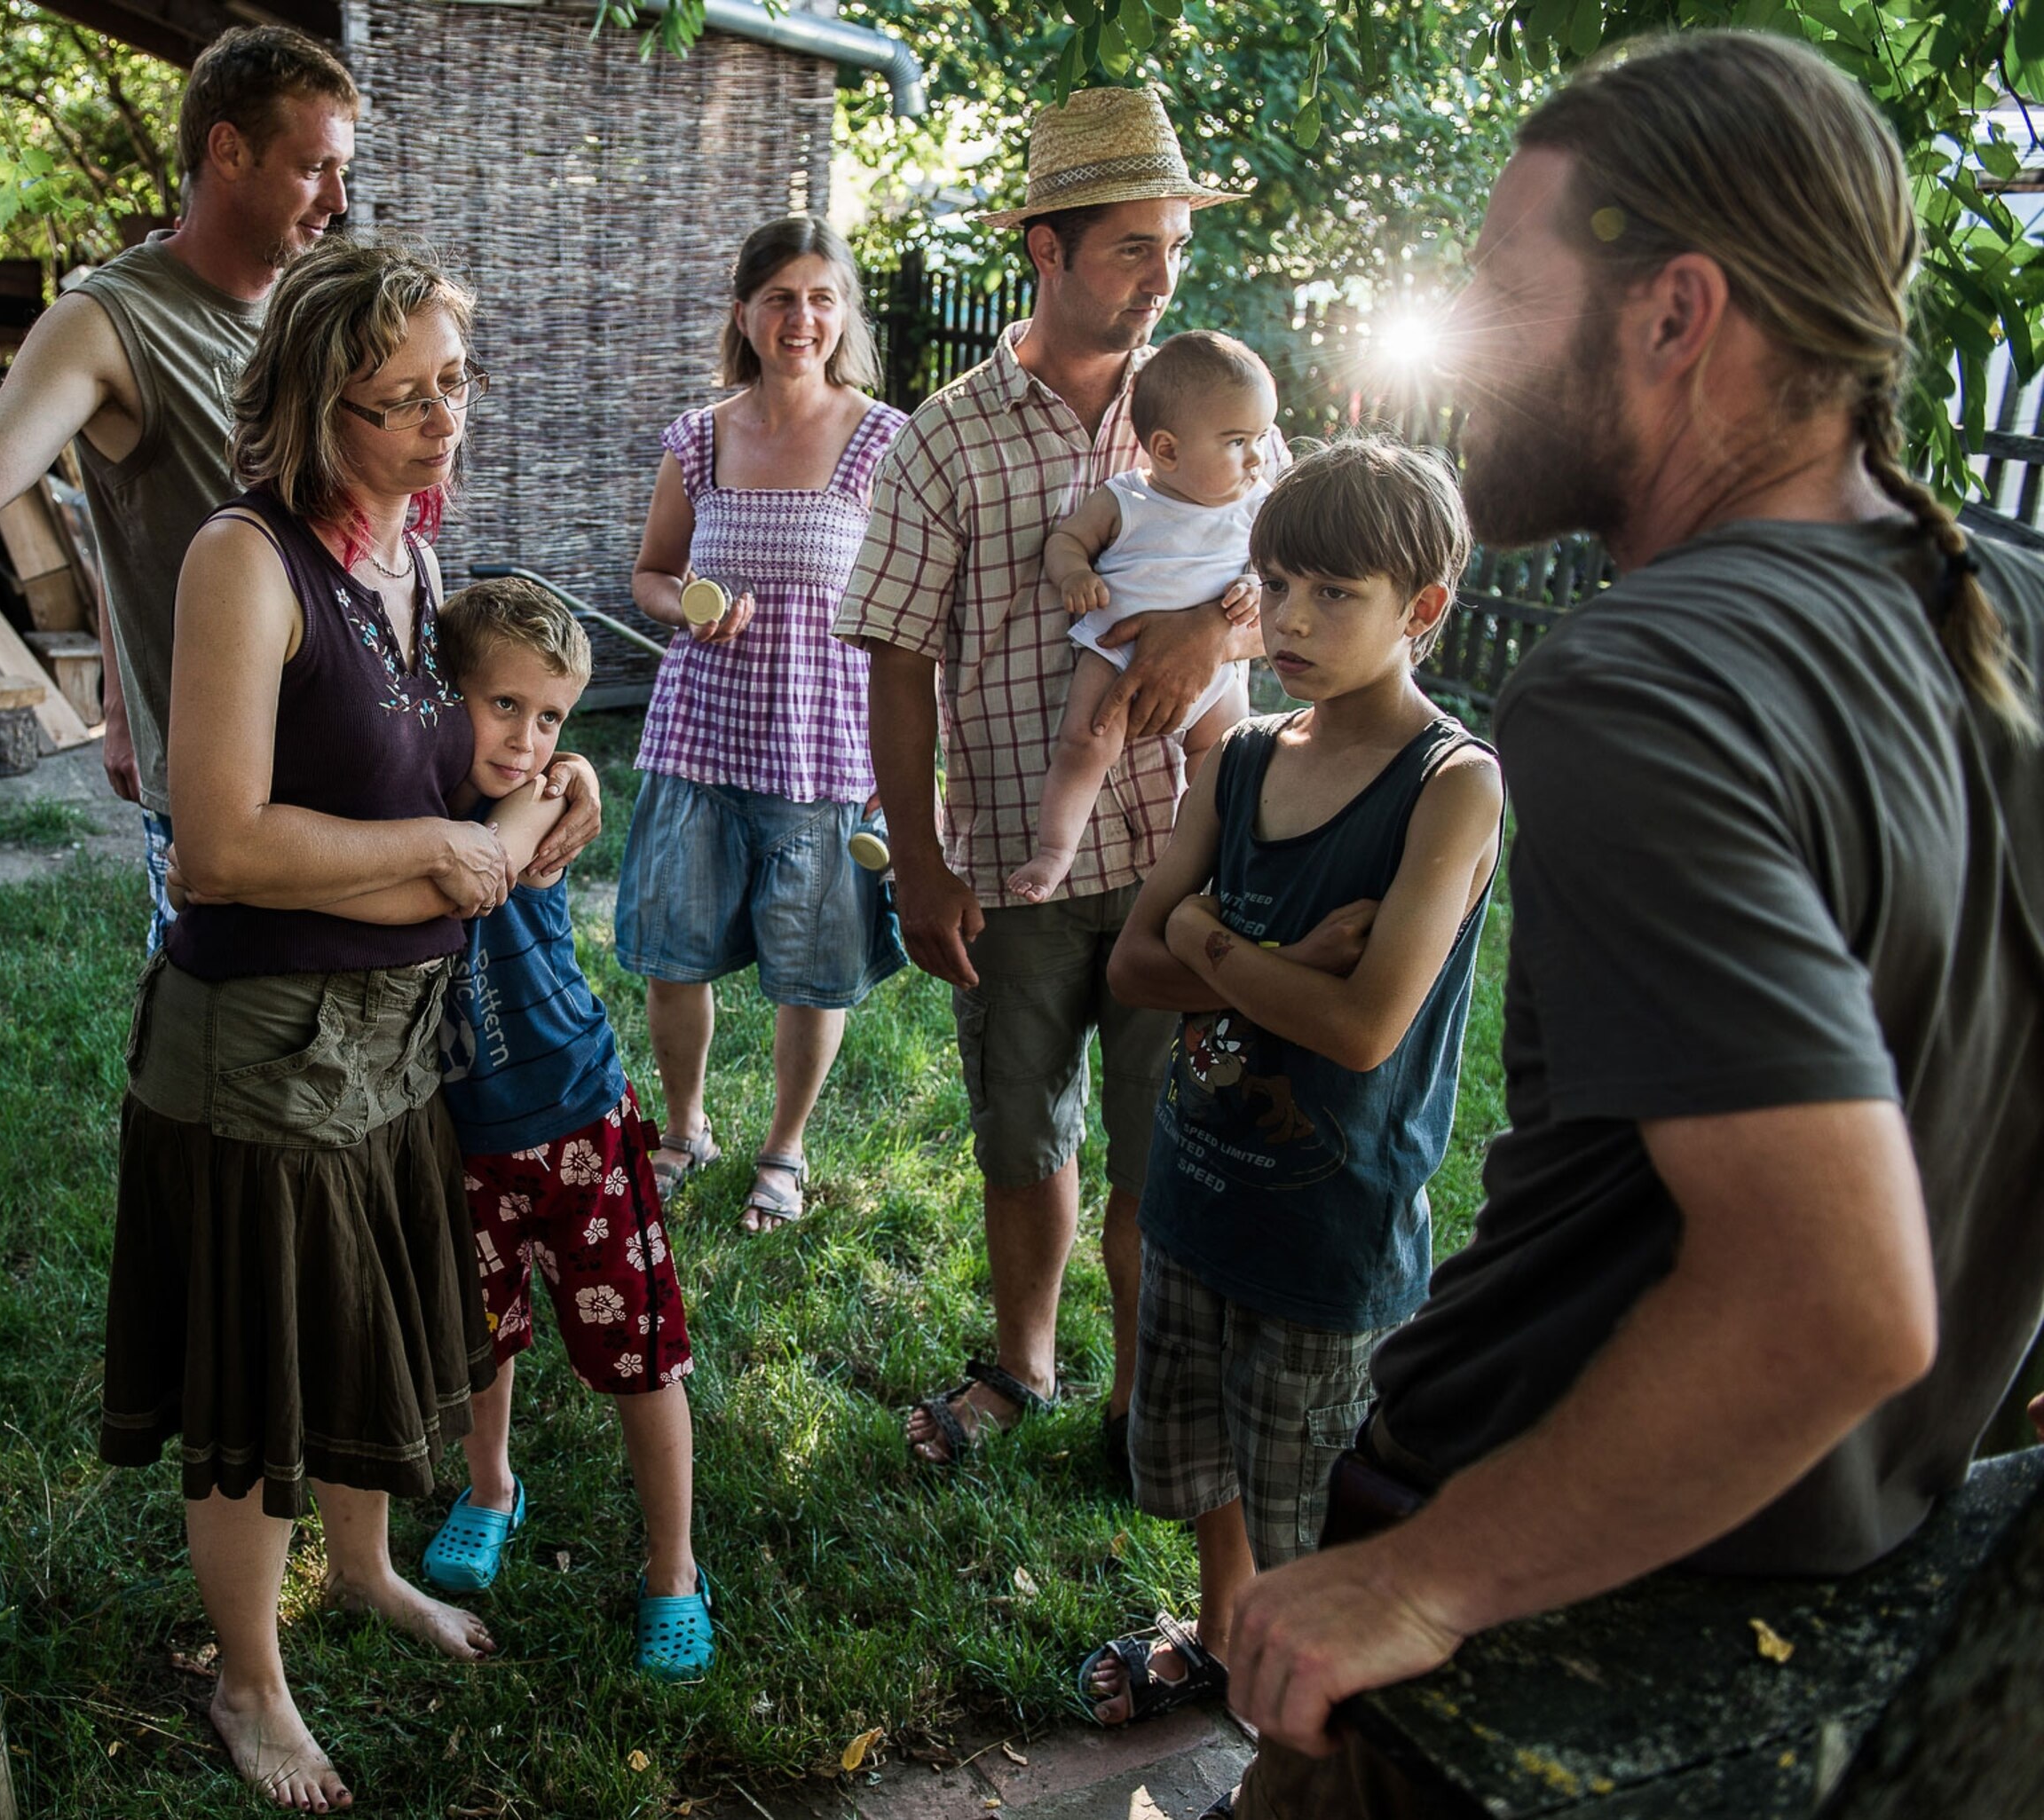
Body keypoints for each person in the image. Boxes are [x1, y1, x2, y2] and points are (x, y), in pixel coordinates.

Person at [1217, 34, 2044, 1819]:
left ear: (1677, 314)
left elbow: (1833, 1295)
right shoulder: (2016, 611)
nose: (1463, 344)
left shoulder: (1648, 677)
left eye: (1502, 289)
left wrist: (1423, 1574)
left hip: (1520, 1644)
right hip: (1835, 1631)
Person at [97, 237, 596, 1813]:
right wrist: (444, 862)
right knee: (260, 1372)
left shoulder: (408, 557)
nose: (443, 421)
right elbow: (227, 840)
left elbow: (409, 789)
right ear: (318, 407)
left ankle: (364, 1570)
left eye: (454, 382)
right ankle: (249, 1679)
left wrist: (525, 793)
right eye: (401, 400)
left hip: (392, 1036)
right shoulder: (244, 560)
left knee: (369, 1315)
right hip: (260, 1043)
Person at [838, 87, 1279, 1467]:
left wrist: (1219, 622)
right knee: (1022, 1131)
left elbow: (1314, 566)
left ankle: (1144, 1401)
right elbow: (900, 659)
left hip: (1190, 853)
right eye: (1132, 247)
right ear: (1045, 246)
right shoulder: (944, 442)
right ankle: (1021, 1361)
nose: (1162, 275)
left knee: (1164, 1147)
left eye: (1173, 246)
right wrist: (918, 859)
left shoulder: (1226, 401)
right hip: (1021, 855)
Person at [1075, 438, 1503, 1735]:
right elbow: (1138, 963)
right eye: (1278, 584)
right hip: (1198, 1194)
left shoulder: (1453, 783)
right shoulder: (1243, 754)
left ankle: (1297, 1738)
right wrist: (1259, 961)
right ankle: (1218, 1634)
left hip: (1332, 1230)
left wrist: (1216, 942)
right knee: (1201, 1455)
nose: (1295, 619)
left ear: (1420, 609)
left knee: (1305, 1499)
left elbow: (1364, 1025)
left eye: (1337, 593)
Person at [0, 25, 358, 953]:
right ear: (227, 149)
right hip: (237, 790)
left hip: (351, 746)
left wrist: (114, 695)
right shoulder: (110, 322)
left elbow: (130, 519)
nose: (338, 201)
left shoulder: (306, 302)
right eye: (314, 168)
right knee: (226, 1052)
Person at [376, 578, 711, 1682]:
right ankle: (490, 1487)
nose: (529, 740)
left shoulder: (540, 805)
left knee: (638, 1352)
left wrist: (573, 771)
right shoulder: (406, 801)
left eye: (553, 717)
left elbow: (496, 864)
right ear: (442, 698)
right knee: (486, 1335)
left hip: (577, 1117)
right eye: (504, 706)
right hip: (463, 1132)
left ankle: (674, 1566)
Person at [618, 216, 908, 1233]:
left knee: (813, 963)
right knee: (673, 953)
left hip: (825, 743)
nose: (802, 317)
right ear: (744, 310)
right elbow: (651, 574)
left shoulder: (884, 439)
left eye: (823, 297)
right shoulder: (699, 437)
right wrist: (688, 595)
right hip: (699, 736)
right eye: (781, 296)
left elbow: (914, 599)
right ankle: (687, 1126)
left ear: (845, 315)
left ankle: (782, 1148)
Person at [1009, 330, 1275, 903]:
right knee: (1085, 743)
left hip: (1215, 674)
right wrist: (1075, 574)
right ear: (1168, 450)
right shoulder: (1128, 498)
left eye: (1259, 437)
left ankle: (1194, 863)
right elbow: (1066, 541)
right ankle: (1055, 851)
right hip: (1114, 652)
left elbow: (1280, 575)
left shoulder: (1258, 508)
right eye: (1237, 441)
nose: (1257, 456)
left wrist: (1255, 587)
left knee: (1220, 759)